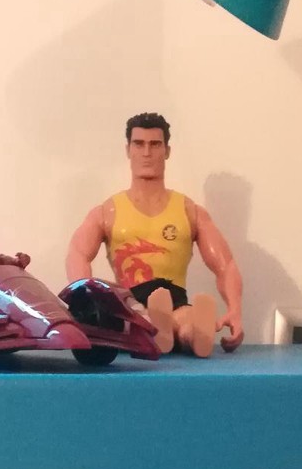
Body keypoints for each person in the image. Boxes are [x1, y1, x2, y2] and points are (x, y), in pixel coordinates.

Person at [65, 112, 244, 356]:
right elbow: (77, 253)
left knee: (187, 320)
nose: (147, 152)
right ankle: (158, 327)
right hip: (130, 303)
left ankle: (189, 333)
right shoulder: (107, 212)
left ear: (167, 151)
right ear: (128, 150)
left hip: (176, 300)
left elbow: (226, 265)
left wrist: (235, 310)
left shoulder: (189, 212)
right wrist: (86, 301)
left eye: (155, 144)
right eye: (139, 144)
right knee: (138, 317)